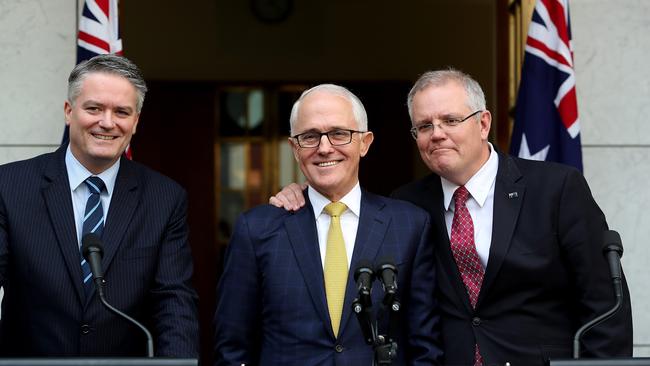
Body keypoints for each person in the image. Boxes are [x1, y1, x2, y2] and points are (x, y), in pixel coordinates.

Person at [269, 69, 633, 365]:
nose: (436, 134)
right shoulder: (407, 205)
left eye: (450, 120)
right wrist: (306, 194)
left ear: (483, 123)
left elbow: (605, 305)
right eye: (424, 126)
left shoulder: (556, 188)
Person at [214, 84, 442, 365]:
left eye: (338, 134)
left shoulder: (409, 225)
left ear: (365, 142)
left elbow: (426, 348)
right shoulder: (257, 229)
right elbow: (232, 347)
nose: (324, 148)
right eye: (309, 136)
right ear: (294, 148)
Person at [0, 54, 199, 356]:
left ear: (135, 122)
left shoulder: (164, 198)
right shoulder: (9, 186)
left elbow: (173, 302)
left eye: (122, 112)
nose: (107, 123)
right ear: (69, 111)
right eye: (94, 108)